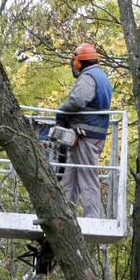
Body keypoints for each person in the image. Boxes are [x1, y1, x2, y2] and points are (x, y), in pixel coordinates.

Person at [54, 42, 112, 218]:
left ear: (79, 61)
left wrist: (61, 111)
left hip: (86, 136)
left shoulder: (89, 77)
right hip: (83, 137)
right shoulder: (101, 76)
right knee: (69, 178)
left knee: (87, 177)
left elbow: (77, 101)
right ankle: (64, 215)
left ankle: (93, 218)